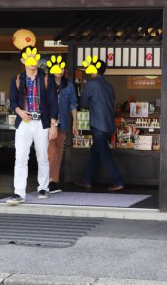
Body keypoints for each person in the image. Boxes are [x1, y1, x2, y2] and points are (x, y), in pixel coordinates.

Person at [6, 46, 58, 205]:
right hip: (24, 122)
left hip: (42, 123)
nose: (33, 61)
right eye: (29, 57)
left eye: (35, 57)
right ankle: (19, 192)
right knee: (20, 158)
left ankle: (43, 187)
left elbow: (53, 103)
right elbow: (13, 101)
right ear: (23, 60)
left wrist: (54, 124)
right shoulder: (17, 79)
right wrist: (19, 112)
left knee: (42, 156)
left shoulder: (46, 78)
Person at [75, 58, 124, 191]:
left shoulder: (92, 84)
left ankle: (118, 181)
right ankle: (86, 180)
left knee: (104, 154)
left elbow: (83, 104)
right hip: (109, 125)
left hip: (98, 125)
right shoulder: (109, 86)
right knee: (95, 152)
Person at [46, 57, 78, 194]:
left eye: (62, 67)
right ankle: (47, 180)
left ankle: (53, 181)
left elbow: (73, 105)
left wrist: (75, 122)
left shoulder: (69, 85)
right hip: (48, 124)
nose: (60, 70)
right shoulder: (46, 84)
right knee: (51, 153)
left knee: (58, 153)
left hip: (63, 123)